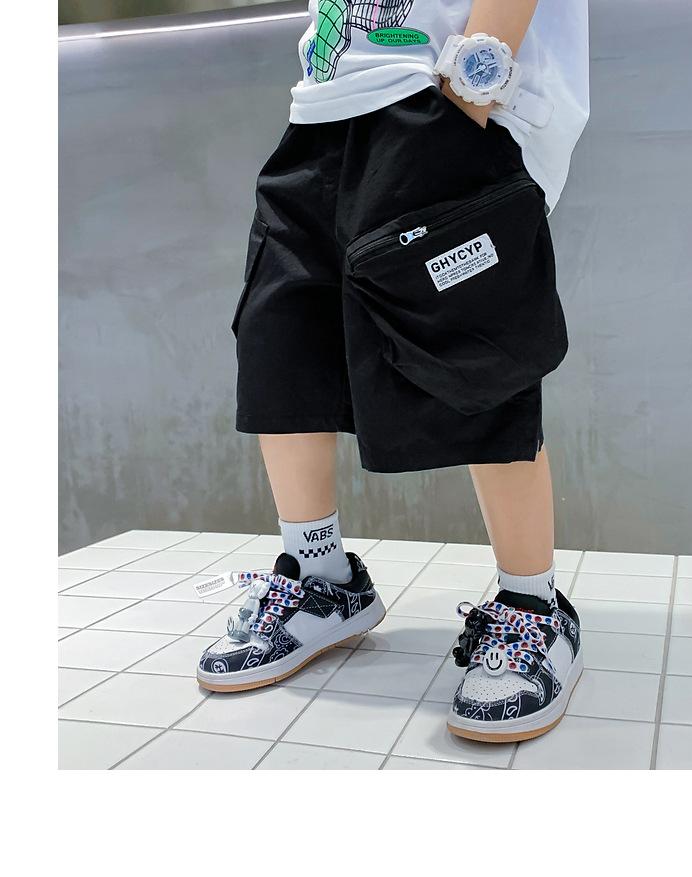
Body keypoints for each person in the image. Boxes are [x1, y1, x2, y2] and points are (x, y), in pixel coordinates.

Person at [196, 0, 589, 743]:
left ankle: (532, 607)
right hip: (320, 109)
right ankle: (322, 579)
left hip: (438, 96)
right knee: (281, 342)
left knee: (476, 359)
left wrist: (470, 93)